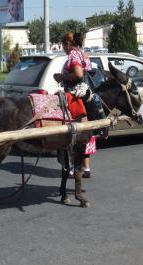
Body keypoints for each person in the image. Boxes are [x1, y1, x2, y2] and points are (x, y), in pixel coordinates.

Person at [53, 32, 95, 178]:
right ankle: (86, 168)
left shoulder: (73, 55)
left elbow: (77, 74)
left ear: (68, 44)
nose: (63, 48)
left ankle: (71, 167)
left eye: (63, 45)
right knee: (85, 130)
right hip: (85, 94)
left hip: (74, 95)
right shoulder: (84, 55)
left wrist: (60, 77)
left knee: (71, 131)